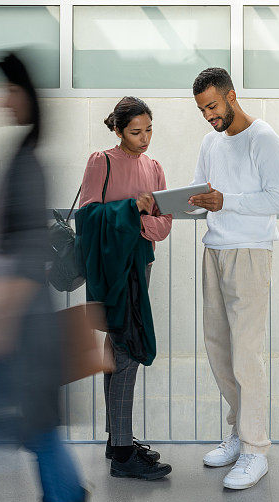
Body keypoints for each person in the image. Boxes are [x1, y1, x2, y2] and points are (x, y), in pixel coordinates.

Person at [0, 52, 87, 502]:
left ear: (25, 96)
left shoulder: (28, 165)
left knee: (14, 419)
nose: (0, 100)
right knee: (29, 423)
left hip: (23, 321)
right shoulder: (22, 155)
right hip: (18, 319)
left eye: (8, 90)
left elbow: (26, 252)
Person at [189, 67, 279, 490]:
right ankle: (236, 434)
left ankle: (255, 449)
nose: (209, 116)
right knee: (219, 352)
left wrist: (225, 200)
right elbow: (201, 194)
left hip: (250, 253)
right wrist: (179, 204)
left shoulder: (264, 138)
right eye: (202, 110)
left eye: (213, 106)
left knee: (246, 354)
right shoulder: (210, 141)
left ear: (232, 96)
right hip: (214, 250)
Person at [76, 96, 172, 480]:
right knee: (127, 350)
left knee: (116, 350)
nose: (145, 138)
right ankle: (123, 452)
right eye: (136, 131)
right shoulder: (102, 160)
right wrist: (134, 210)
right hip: (111, 270)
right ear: (118, 130)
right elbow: (87, 216)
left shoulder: (155, 166)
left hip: (141, 265)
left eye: (149, 129)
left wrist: (144, 218)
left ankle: (116, 440)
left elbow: (163, 227)